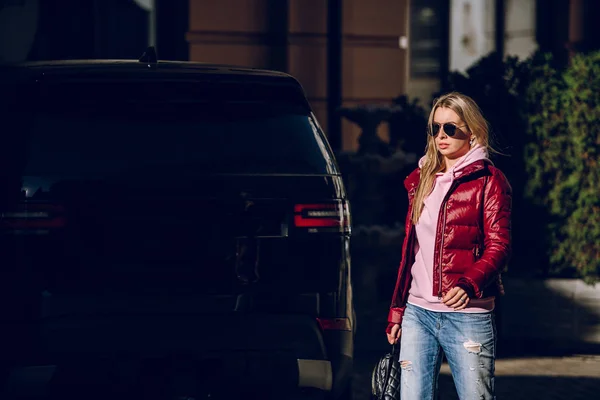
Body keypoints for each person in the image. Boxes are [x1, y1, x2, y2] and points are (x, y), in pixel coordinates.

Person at [385, 91, 511, 400]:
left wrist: (470, 283)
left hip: (468, 314)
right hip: (418, 312)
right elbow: (411, 252)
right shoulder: (421, 179)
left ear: (471, 132)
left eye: (451, 128)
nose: (441, 136)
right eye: (435, 128)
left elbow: (500, 244)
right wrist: (397, 310)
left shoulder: (489, 181)